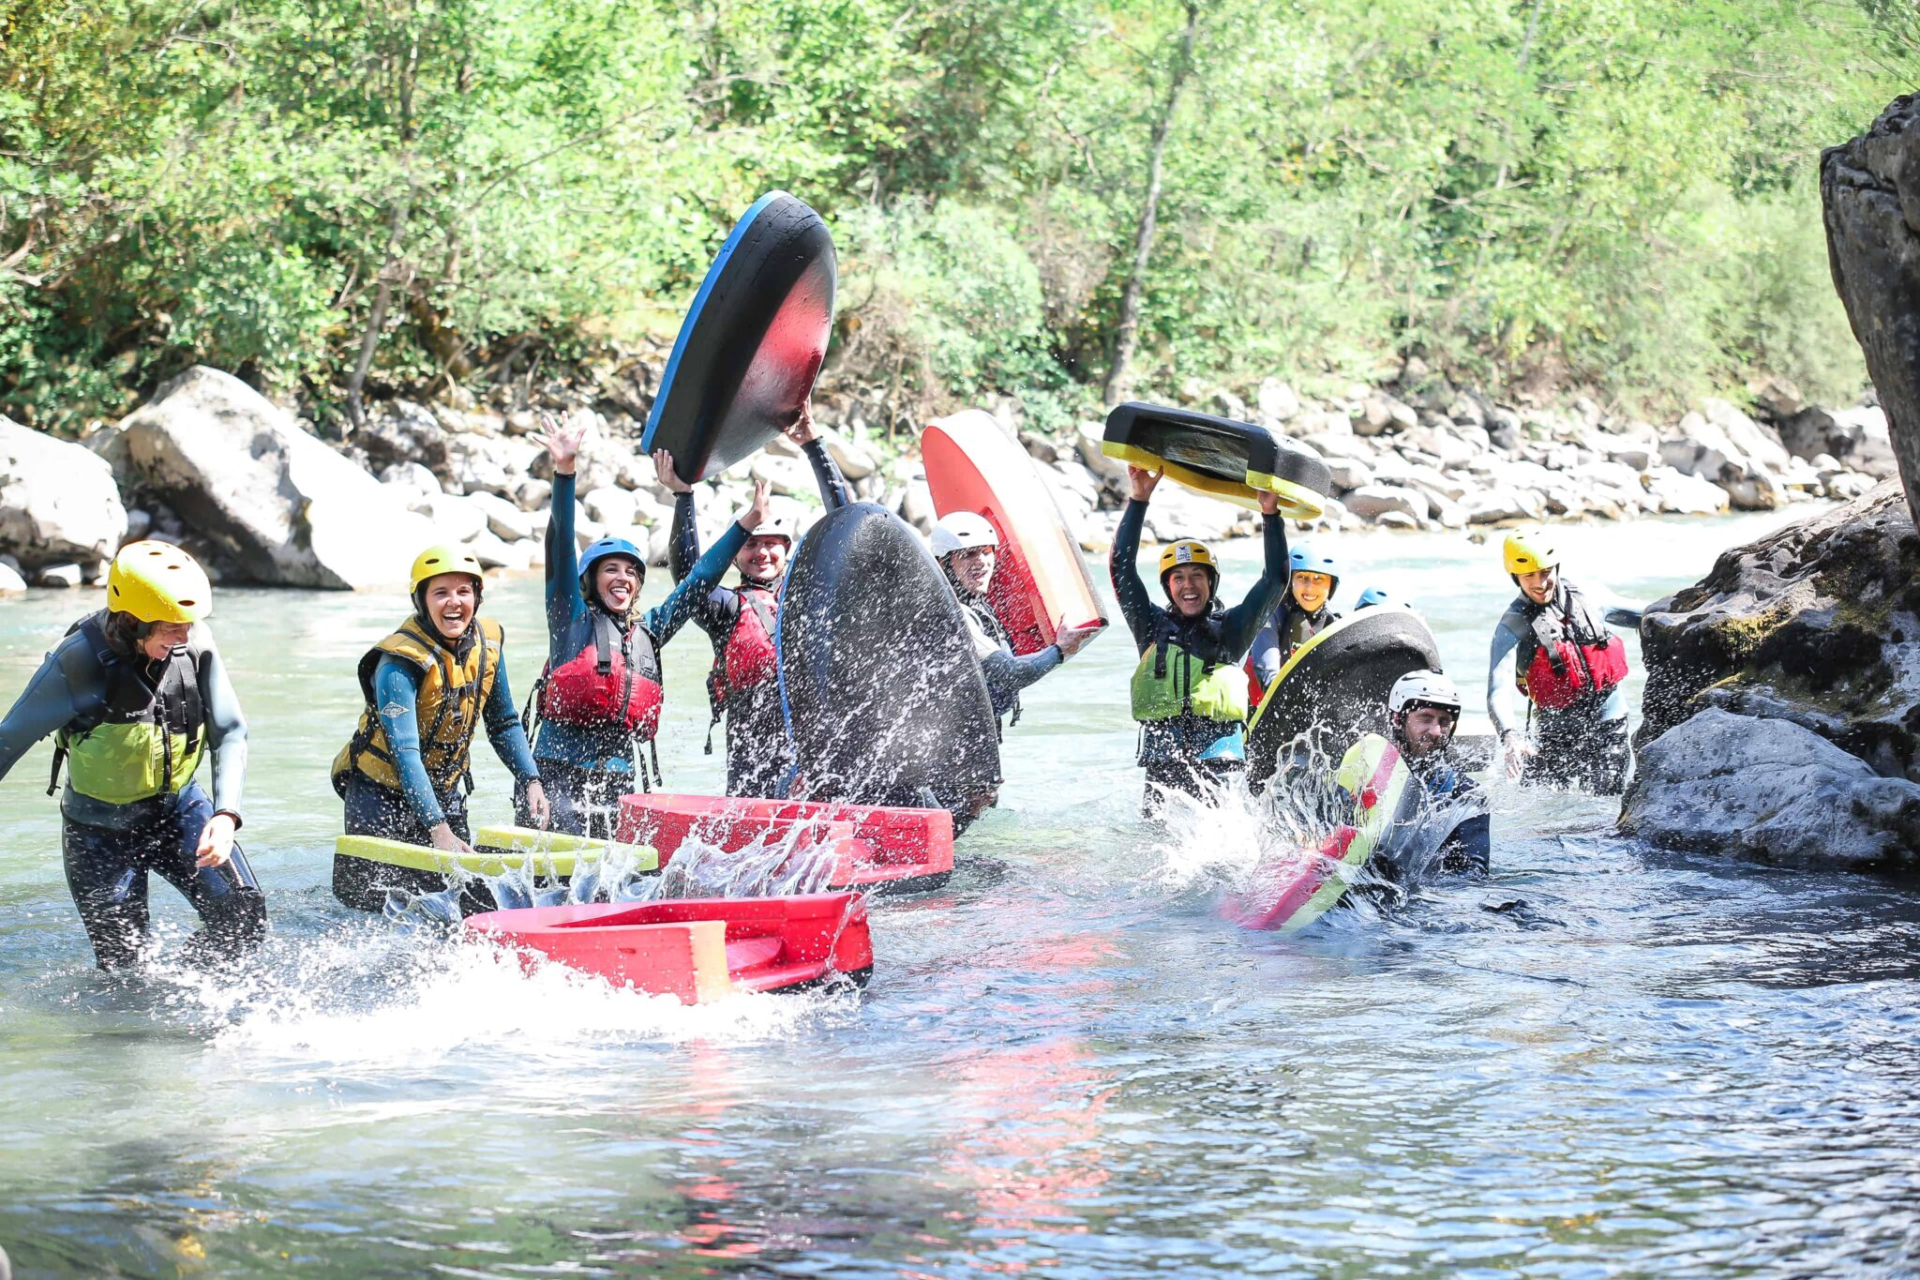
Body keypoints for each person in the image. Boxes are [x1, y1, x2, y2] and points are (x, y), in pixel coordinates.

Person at [0, 542, 265, 969]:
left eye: (188, 623)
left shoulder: (194, 642)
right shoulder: (77, 664)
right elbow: (7, 740)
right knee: (126, 969)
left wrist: (225, 814)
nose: (184, 636)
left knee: (243, 918)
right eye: (170, 627)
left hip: (179, 811)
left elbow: (231, 732)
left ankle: (192, 995)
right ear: (133, 620)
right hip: (98, 831)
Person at [528, 416, 773, 827]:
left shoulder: (650, 630)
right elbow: (561, 547)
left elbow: (698, 582)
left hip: (619, 779)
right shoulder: (568, 617)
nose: (621, 578)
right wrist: (565, 472)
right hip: (558, 775)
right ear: (589, 580)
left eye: (630, 571)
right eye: (610, 570)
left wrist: (745, 525)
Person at [332, 544, 547, 907]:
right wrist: (437, 827)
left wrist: (531, 780)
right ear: (421, 601)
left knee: (460, 900)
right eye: (441, 592)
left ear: (477, 597)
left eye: (464, 591)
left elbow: (504, 722)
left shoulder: (488, 645)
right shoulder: (398, 664)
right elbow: (405, 754)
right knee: (379, 907)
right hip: (379, 796)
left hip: (443, 794)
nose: (454, 602)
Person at [664, 403, 849, 796]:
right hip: (753, 754)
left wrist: (814, 445)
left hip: (817, 747)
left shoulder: (811, 597)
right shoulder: (726, 608)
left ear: (787, 550)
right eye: (751, 545)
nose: (762, 554)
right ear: (734, 554)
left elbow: (850, 524)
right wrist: (683, 497)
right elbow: (686, 576)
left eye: (772, 545)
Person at [1110, 464, 1287, 811]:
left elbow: (1275, 582)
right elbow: (1121, 568)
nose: (1188, 585)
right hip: (1164, 771)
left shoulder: (1233, 629)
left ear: (1212, 583)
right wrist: (1139, 499)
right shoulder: (1149, 625)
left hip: (1220, 771)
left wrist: (1270, 514)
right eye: (1178, 578)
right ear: (1167, 586)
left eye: (1197, 576)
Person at [1487, 528, 1640, 795]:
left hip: (1609, 724)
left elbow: (1648, 615)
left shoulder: (1591, 597)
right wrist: (1510, 736)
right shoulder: (1512, 626)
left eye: (1546, 572)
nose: (1540, 583)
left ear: (1556, 567)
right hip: (1555, 736)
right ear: (1515, 577)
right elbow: (1498, 691)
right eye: (1529, 576)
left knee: (1605, 804)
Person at [931, 512, 1102, 726]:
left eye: (986, 552)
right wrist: (1059, 650)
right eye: (969, 554)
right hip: (951, 742)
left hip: (974, 736)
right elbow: (1010, 673)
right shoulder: (953, 616)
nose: (982, 562)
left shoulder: (978, 605)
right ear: (942, 563)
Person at [1385, 669, 1489, 875]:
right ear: (1398, 719)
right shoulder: (1363, 776)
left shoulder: (1466, 794)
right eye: (1425, 718)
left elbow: (1474, 874)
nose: (1436, 732)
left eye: (1444, 722)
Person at [1247, 541, 1342, 702]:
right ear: (1290, 581)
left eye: (1319, 579)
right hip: (1262, 708)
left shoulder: (1335, 624)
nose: (1309, 588)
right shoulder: (1270, 615)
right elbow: (1268, 674)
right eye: (1302, 577)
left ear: (1331, 585)